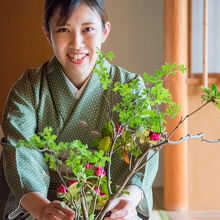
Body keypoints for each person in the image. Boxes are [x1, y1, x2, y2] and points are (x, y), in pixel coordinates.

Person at [0, 0, 159, 219]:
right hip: (46, 199)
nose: (77, 43)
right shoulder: (28, 88)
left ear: (105, 31)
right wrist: (41, 208)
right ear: (48, 33)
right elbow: (20, 149)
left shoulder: (129, 87)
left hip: (111, 198)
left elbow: (144, 149)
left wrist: (129, 199)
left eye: (88, 29)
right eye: (64, 29)